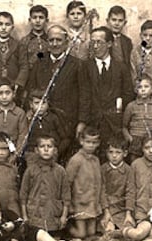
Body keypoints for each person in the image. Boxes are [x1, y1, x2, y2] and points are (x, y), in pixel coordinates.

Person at [25, 24, 89, 154]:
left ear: (66, 42)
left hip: (67, 121)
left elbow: (85, 94)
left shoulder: (77, 64)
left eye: (59, 40)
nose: (55, 44)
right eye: (51, 40)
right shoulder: (40, 60)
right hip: (44, 119)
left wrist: (82, 121)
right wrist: (29, 109)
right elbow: (31, 87)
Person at [84, 26, 133, 163]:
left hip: (114, 124)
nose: (95, 46)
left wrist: (121, 118)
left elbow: (128, 94)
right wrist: (83, 121)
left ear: (110, 44)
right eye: (92, 42)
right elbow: (84, 95)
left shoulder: (121, 67)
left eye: (99, 42)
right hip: (94, 122)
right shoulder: (86, 67)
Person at [122, 135, 152, 241]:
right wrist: (129, 214)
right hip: (141, 214)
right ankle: (119, 235)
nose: (151, 151)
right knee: (141, 233)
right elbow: (131, 191)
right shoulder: (136, 165)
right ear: (142, 149)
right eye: (147, 148)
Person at [20, 135, 70, 232]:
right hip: (34, 216)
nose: (46, 149)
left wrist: (64, 216)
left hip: (53, 217)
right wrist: (25, 217)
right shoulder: (30, 170)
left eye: (49, 146)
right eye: (42, 146)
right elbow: (23, 195)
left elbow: (66, 196)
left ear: (55, 150)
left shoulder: (60, 171)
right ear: (36, 150)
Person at [66, 126, 106, 238]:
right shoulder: (76, 160)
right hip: (79, 202)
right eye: (88, 142)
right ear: (81, 141)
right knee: (81, 234)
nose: (91, 145)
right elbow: (67, 182)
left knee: (92, 233)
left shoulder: (96, 160)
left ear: (98, 143)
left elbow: (99, 182)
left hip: (92, 202)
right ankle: (66, 227)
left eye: (94, 142)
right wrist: (68, 204)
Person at [123, 74, 152, 162]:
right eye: (140, 87)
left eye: (146, 86)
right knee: (135, 164)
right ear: (136, 90)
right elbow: (124, 127)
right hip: (135, 141)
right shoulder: (131, 106)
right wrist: (130, 139)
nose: (143, 89)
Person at [100, 135, 135, 232]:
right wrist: (106, 212)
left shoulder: (128, 170)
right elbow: (102, 192)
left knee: (129, 230)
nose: (114, 156)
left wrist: (128, 213)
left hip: (122, 209)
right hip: (106, 208)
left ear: (125, 153)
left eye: (118, 152)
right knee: (109, 229)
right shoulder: (103, 169)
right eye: (111, 152)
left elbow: (130, 192)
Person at [24, 89, 69, 163]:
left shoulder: (53, 118)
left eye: (43, 103)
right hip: (33, 153)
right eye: (37, 103)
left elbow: (64, 137)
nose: (40, 106)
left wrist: (57, 150)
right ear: (31, 104)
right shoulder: (29, 119)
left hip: (50, 152)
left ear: (48, 103)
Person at [19, 5, 50, 71]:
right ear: (30, 20)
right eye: (34, 17)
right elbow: (22, 65)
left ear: (46, 20)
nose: (37, 21)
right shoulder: (24, 41)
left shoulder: (50, 40)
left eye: (41, 18)